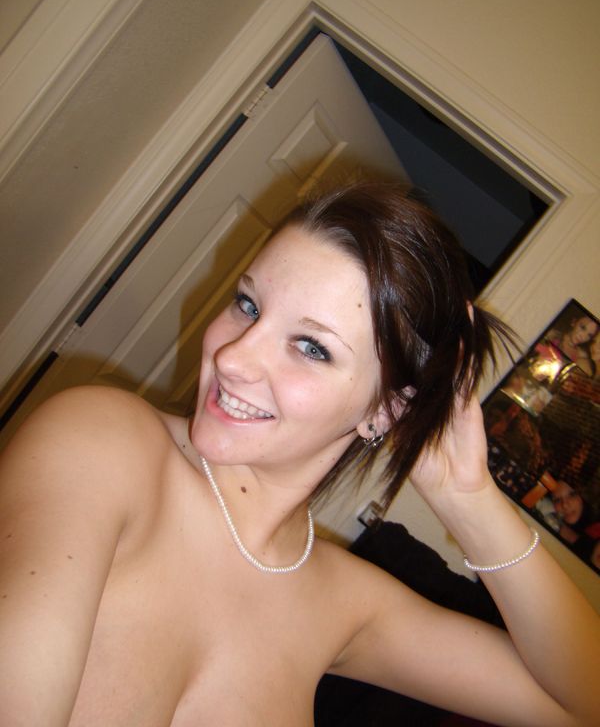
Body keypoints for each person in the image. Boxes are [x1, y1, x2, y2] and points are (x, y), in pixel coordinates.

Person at [1, 182, 598, 727]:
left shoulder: (345, 604)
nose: (233, 358)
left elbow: (581, 705)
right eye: (249, 305)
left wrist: (466, 499)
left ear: (385, 410)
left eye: (311, 347)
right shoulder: (101, 442)